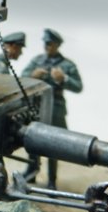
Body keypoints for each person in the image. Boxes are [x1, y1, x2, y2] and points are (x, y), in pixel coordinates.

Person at [22, 28, 83, 189]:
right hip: (37, 105)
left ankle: (51, 180)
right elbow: (22, 76)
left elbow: (78, 86)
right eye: (45, 43)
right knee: (32, 138)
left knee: (53, 143)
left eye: (50, 44)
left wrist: (64, 79)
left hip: (55, 107)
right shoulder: (37, 61)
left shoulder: (67, 65)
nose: (47, 47)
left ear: (57, 45)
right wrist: (33, 75)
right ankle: (31, 171)